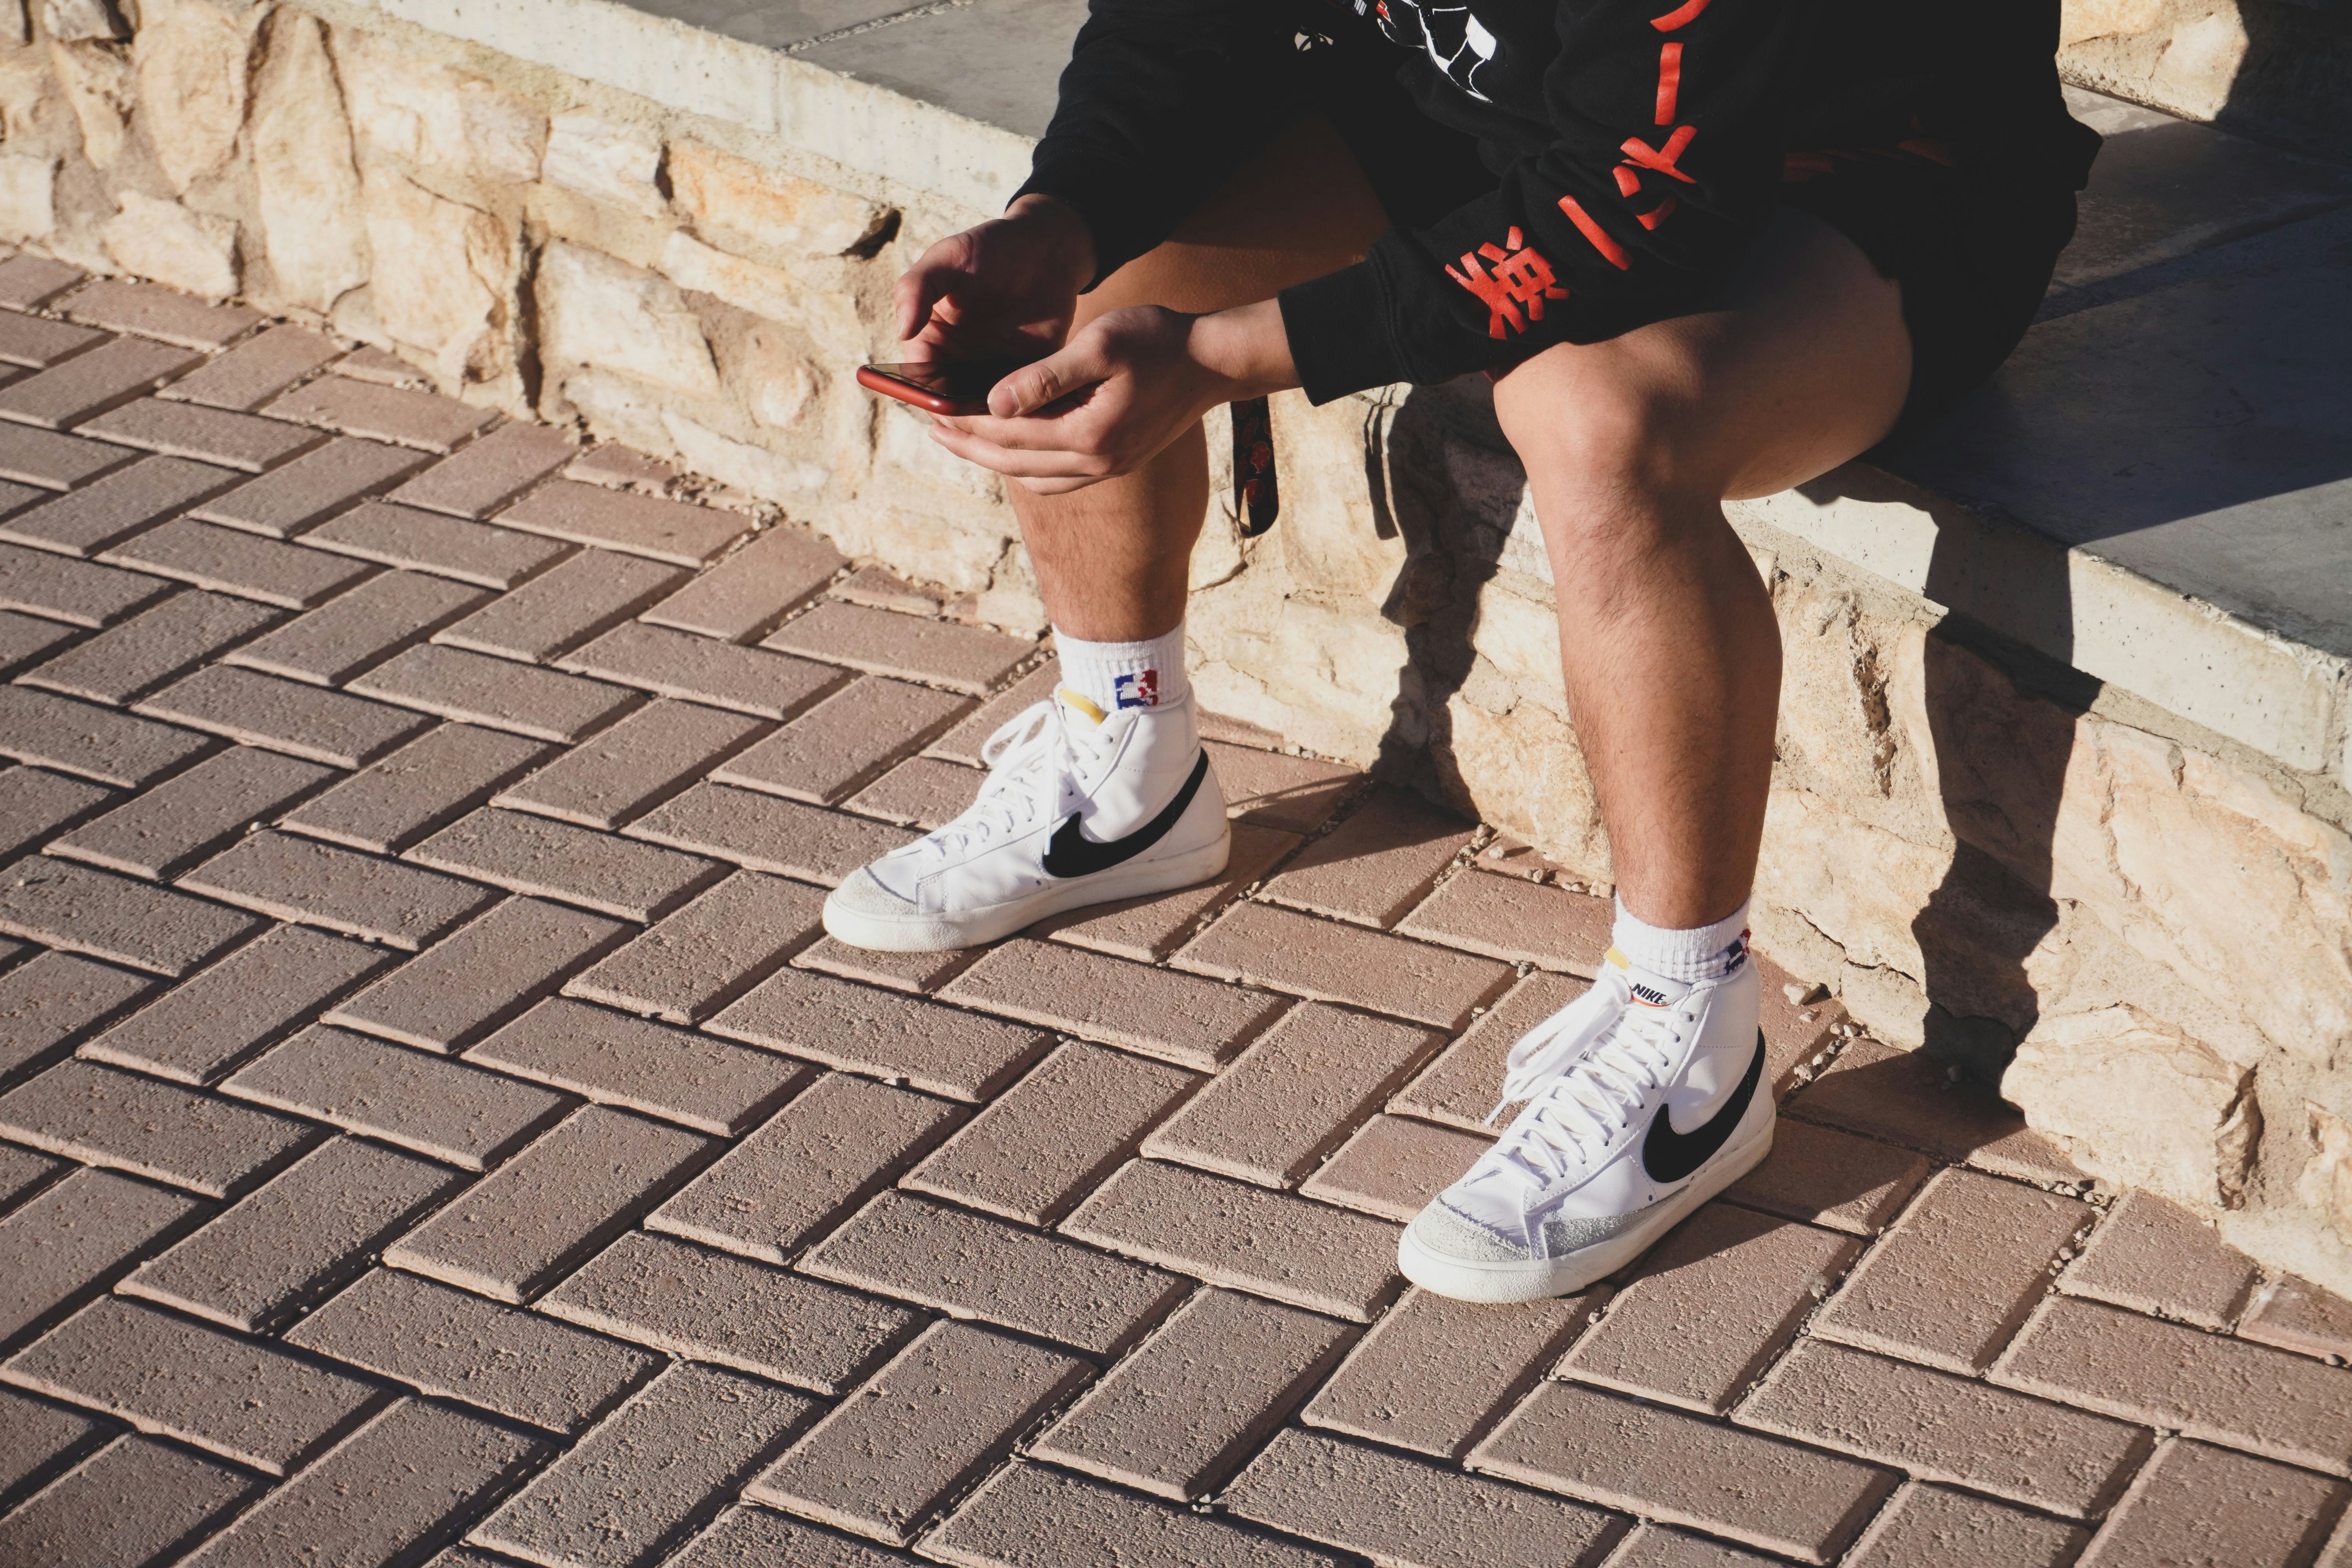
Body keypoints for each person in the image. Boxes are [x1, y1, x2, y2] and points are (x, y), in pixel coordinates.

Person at [820, 0, 2099, 1302]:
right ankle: (1122, 757)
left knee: (1598, 420)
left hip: (1870, 171)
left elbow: (1642, 210)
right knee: (1102, 268)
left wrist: (1221, 357)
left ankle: (1687, 1033)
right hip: (1512, 121)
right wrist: (1063, 211)